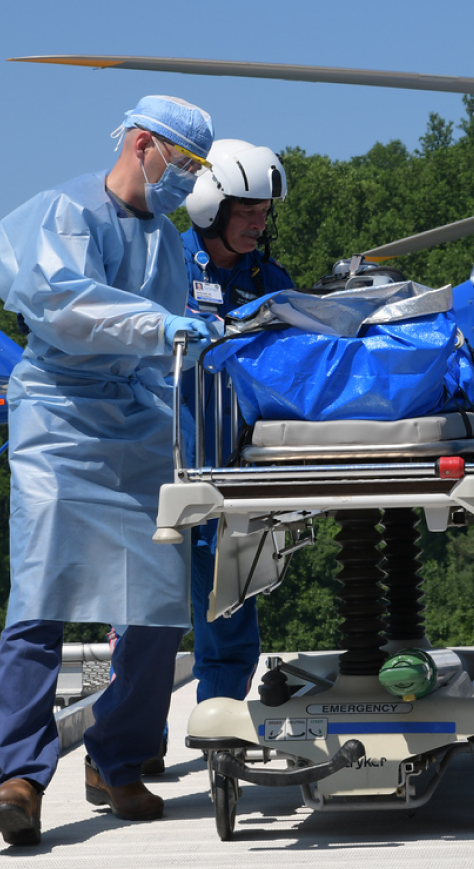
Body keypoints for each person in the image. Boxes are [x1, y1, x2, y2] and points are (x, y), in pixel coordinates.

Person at [0, 95, 216, 847]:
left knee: (157, 601)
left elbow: (162, 352)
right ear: (142, 143)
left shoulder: (169, 243)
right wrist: (157, 326)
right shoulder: (68, 212)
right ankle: (18, 778)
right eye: (183, 163)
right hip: (57, 416)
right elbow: (64, 305)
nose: (187, 181)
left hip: (134, 420)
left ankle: (118, 758)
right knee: (39, 598)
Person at [177, 139, 294, 703]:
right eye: (246, 211)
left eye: (263, 211)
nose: (257, 222)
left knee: (229, 607)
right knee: (140, 617)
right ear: (210, 209)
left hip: (236, 471)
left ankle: (214, 723)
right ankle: (125, 750)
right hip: (163, 464)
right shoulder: (157, 266)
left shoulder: (271, 281)